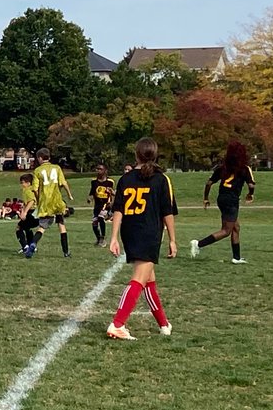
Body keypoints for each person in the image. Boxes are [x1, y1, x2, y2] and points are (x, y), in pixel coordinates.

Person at [106, 137, 178, 340]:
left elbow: (118, 210)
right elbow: (168, 212)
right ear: (155, 155)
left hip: (130, 232)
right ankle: (118, 323)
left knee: (149, 280)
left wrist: (114, 237)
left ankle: (163, 324)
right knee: (139, 279)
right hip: (149, 233)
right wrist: (172, 239)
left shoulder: (125, 179)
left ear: (136, 154)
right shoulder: (161, 179)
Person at [192, 142, 255, 263]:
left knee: (236, 227)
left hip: (222, 198)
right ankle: (199, 244)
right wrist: (250, 194)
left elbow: (209, 183)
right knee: (226, 231)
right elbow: (251, 184)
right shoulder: (244, 169)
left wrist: (206, 198)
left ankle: (236, 258)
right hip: (232, 200)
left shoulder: (223, 168)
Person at [23, 148, 75, 259]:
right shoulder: (57, 168)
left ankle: (33, 243)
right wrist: (69, 194)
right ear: (49, 157)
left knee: (42, 227)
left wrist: (39, 199)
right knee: (61, 225)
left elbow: (35, 189)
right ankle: (66, 252)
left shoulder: (37, 171)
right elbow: (63, 182)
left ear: (40, 158)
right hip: (57, 201)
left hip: (46, 202)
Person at [88, 164, 116, 248]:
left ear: (105, 171)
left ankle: (103, 238)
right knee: (94, 224)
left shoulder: (110, 182)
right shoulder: (94, 182)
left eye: (100, 169)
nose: (98, 171)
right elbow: (92, 193)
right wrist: (90, 199)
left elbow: (113, 193)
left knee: (101, 218)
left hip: (106, 205)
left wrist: (111, 193)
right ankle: (98, 238)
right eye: (97, 169)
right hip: (97, 205)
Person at [15, 173, 38, 254]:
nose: (21, 184)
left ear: (28, 183)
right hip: (36, 212)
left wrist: (24, 212)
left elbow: (31, 201)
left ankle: (25, 246)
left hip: (33, 212)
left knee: (19, 228)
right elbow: (26, 203)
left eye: (23, 182)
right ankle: (32, 245)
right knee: (28, 228)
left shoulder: (28, 190)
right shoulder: (32, 189)